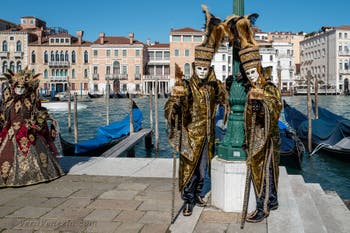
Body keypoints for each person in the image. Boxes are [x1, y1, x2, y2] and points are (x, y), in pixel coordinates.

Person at [164, 45, 229, 216]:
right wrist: (176, 108)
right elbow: (170, 106)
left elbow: (224, 98)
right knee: (189, 171)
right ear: (194, 68)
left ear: (209, 69)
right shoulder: (186, 86)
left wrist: (222, 84)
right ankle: (188, 200)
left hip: (208, 136)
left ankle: (198, 194)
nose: (202, 72)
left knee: (203, 170)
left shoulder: (211, 87)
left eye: (205, 69)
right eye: (199, 68)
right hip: (191, 137)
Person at [238, 46, 282, 223]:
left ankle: (262, 209)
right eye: (248, 73)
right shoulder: (251, 88)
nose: (251, 76)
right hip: (254, 139)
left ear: (259, 69)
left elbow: (275, 107)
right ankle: (271, 201)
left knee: (264, 172)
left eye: (253, 72)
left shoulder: (268, 87)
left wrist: (262, 107)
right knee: (265, 172)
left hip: (266, 138)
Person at [0, 67, 64, 187]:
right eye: (17, 87)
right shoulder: (9, 101)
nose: (20, 90)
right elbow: (6, 117)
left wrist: (36, 122)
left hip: (28, 131)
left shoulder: (30, 102)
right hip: (11, 133)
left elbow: (36, 113)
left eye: (22, 87)